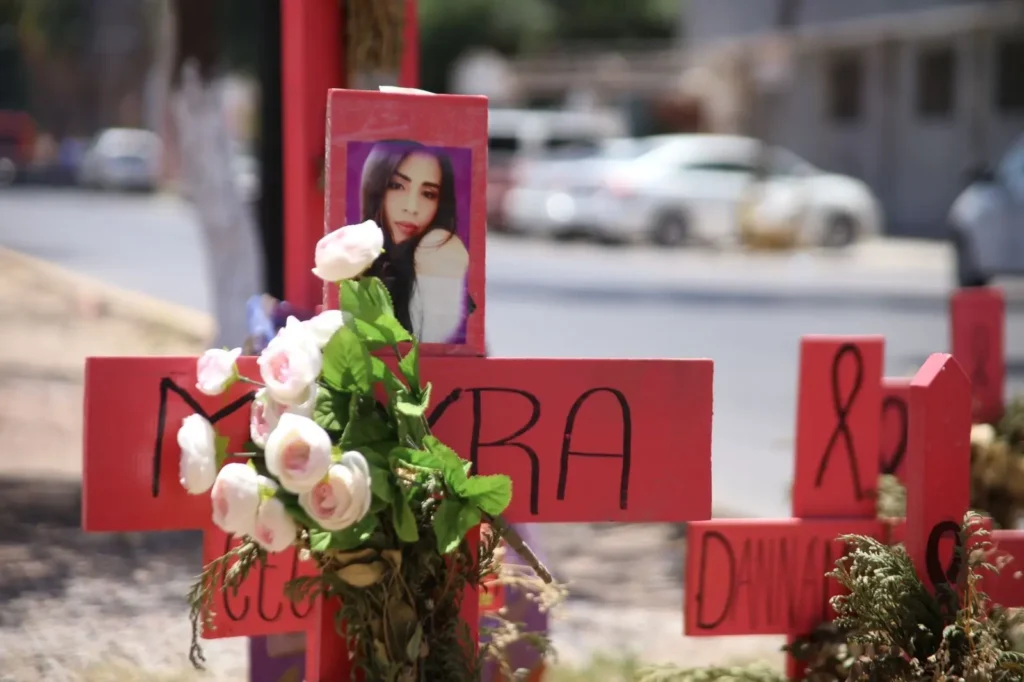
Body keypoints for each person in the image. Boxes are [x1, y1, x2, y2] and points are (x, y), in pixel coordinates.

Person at [360, 139, 470, 343]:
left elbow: (432, 341)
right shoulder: (357, 249)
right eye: (397, 186)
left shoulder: (438, 247)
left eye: (428, 194)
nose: (411, 208)